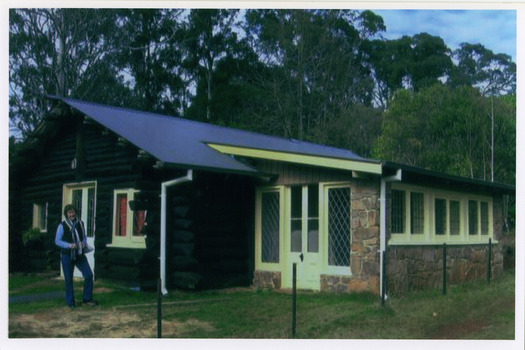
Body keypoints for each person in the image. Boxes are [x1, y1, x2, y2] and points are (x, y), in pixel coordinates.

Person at [55, 204, 97, 309]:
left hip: (79, 254)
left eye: (73, 212)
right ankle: (71, 303)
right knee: (68, 279)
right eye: (69, 213)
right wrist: (69, 245)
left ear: (75, 212)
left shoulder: (80, 223)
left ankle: (87, 299)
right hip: (67, 255)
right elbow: (57, 241)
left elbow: (84, 237)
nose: (72, 214)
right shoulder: (62, 225)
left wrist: (83, 242)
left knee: (89, 275)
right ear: (66, 214)